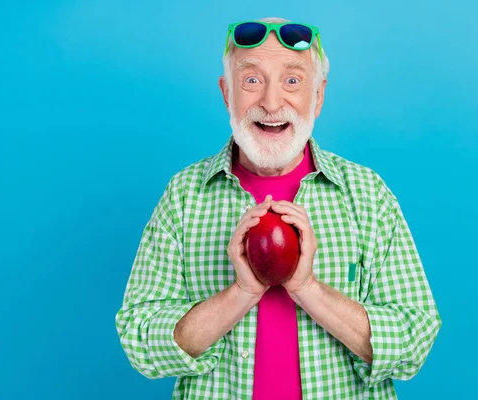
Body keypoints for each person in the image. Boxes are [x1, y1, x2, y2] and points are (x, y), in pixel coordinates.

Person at [115, 16, 441, 400]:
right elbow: (140, 340)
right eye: (251, 81)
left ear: (318, 96)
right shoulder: (184, 197)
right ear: (226, 94)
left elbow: (413, 342)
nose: (270, 103)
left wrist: (308, 289)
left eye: (292, 81)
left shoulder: (367, 195)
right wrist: (240, 292)